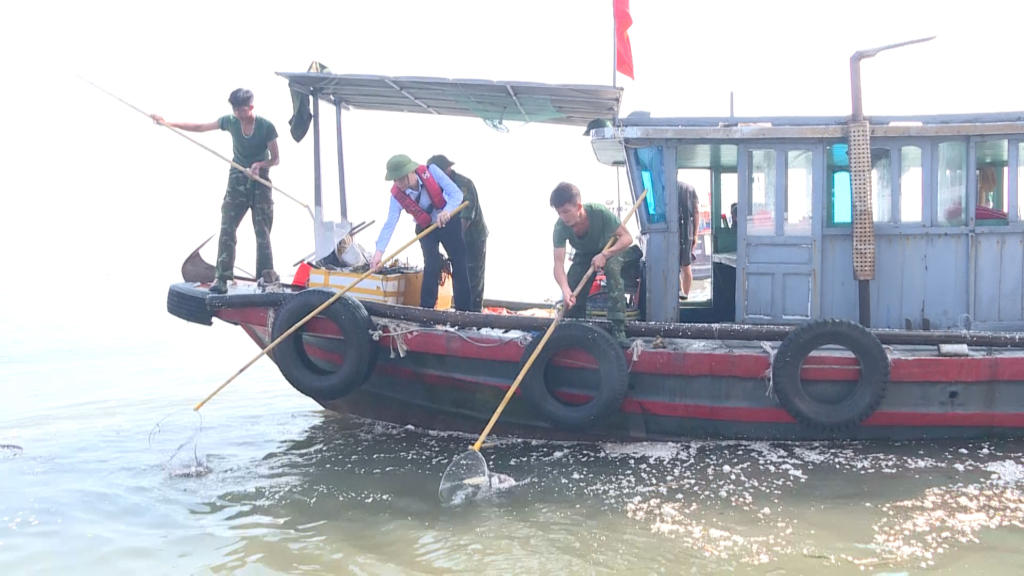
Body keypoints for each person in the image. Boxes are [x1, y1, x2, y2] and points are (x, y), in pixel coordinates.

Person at [151, 89, 280, 294]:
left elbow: (276, 159)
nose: (238, 113)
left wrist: (260, 165)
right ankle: (221, 278)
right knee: (227, 228)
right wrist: (168, 122)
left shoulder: (266, 127)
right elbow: (201, 127)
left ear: (251, 107)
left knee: (262, 231)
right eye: (235, 109)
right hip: (237, 179)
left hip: (260, 181)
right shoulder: (230, 121)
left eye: (241, 109)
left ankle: (266, 278)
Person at [371, 154, 471, 311]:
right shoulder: (396, 196)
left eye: (401, 178)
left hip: (447, 220)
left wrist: (446, 211)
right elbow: (389, 224)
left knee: (459, 260)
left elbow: (457, 194)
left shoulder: (432, 172)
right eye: (395, 180)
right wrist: (378, 253)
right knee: (431, 264)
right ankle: (427, 311)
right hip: (425, 228)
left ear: (411, 172)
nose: (398, 183)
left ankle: (465, 312)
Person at [550, 182, 633, 344]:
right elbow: (558, 264)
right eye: (559, 213)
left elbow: (627, 238)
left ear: (578, 206)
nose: (563, 217)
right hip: (584, 253)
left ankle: (618, 327)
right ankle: (577, 325)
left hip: (610, 248)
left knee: (612, 270)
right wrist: (566, 291)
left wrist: (604, 254)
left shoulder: (599, 212)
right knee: (573, 286)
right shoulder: (560, 227)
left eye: (566, 211)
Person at [426, 154, 488, 312]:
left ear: (447, 170)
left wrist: (453, 244)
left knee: (472, 276)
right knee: (458, 274)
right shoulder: (432, 187)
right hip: (452, 237)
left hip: (472, 237)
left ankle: (474, 315)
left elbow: (465, 218)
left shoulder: (464, 185)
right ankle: (460, 311)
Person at [678, 181, 701, 300]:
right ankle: (685, 295)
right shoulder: (690, 189)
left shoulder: (666, 188)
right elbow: (696, 211)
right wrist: (695, 234)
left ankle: (681, 293)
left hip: (671, 231)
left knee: (673, 266)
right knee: (686, 266)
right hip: (687, 232)